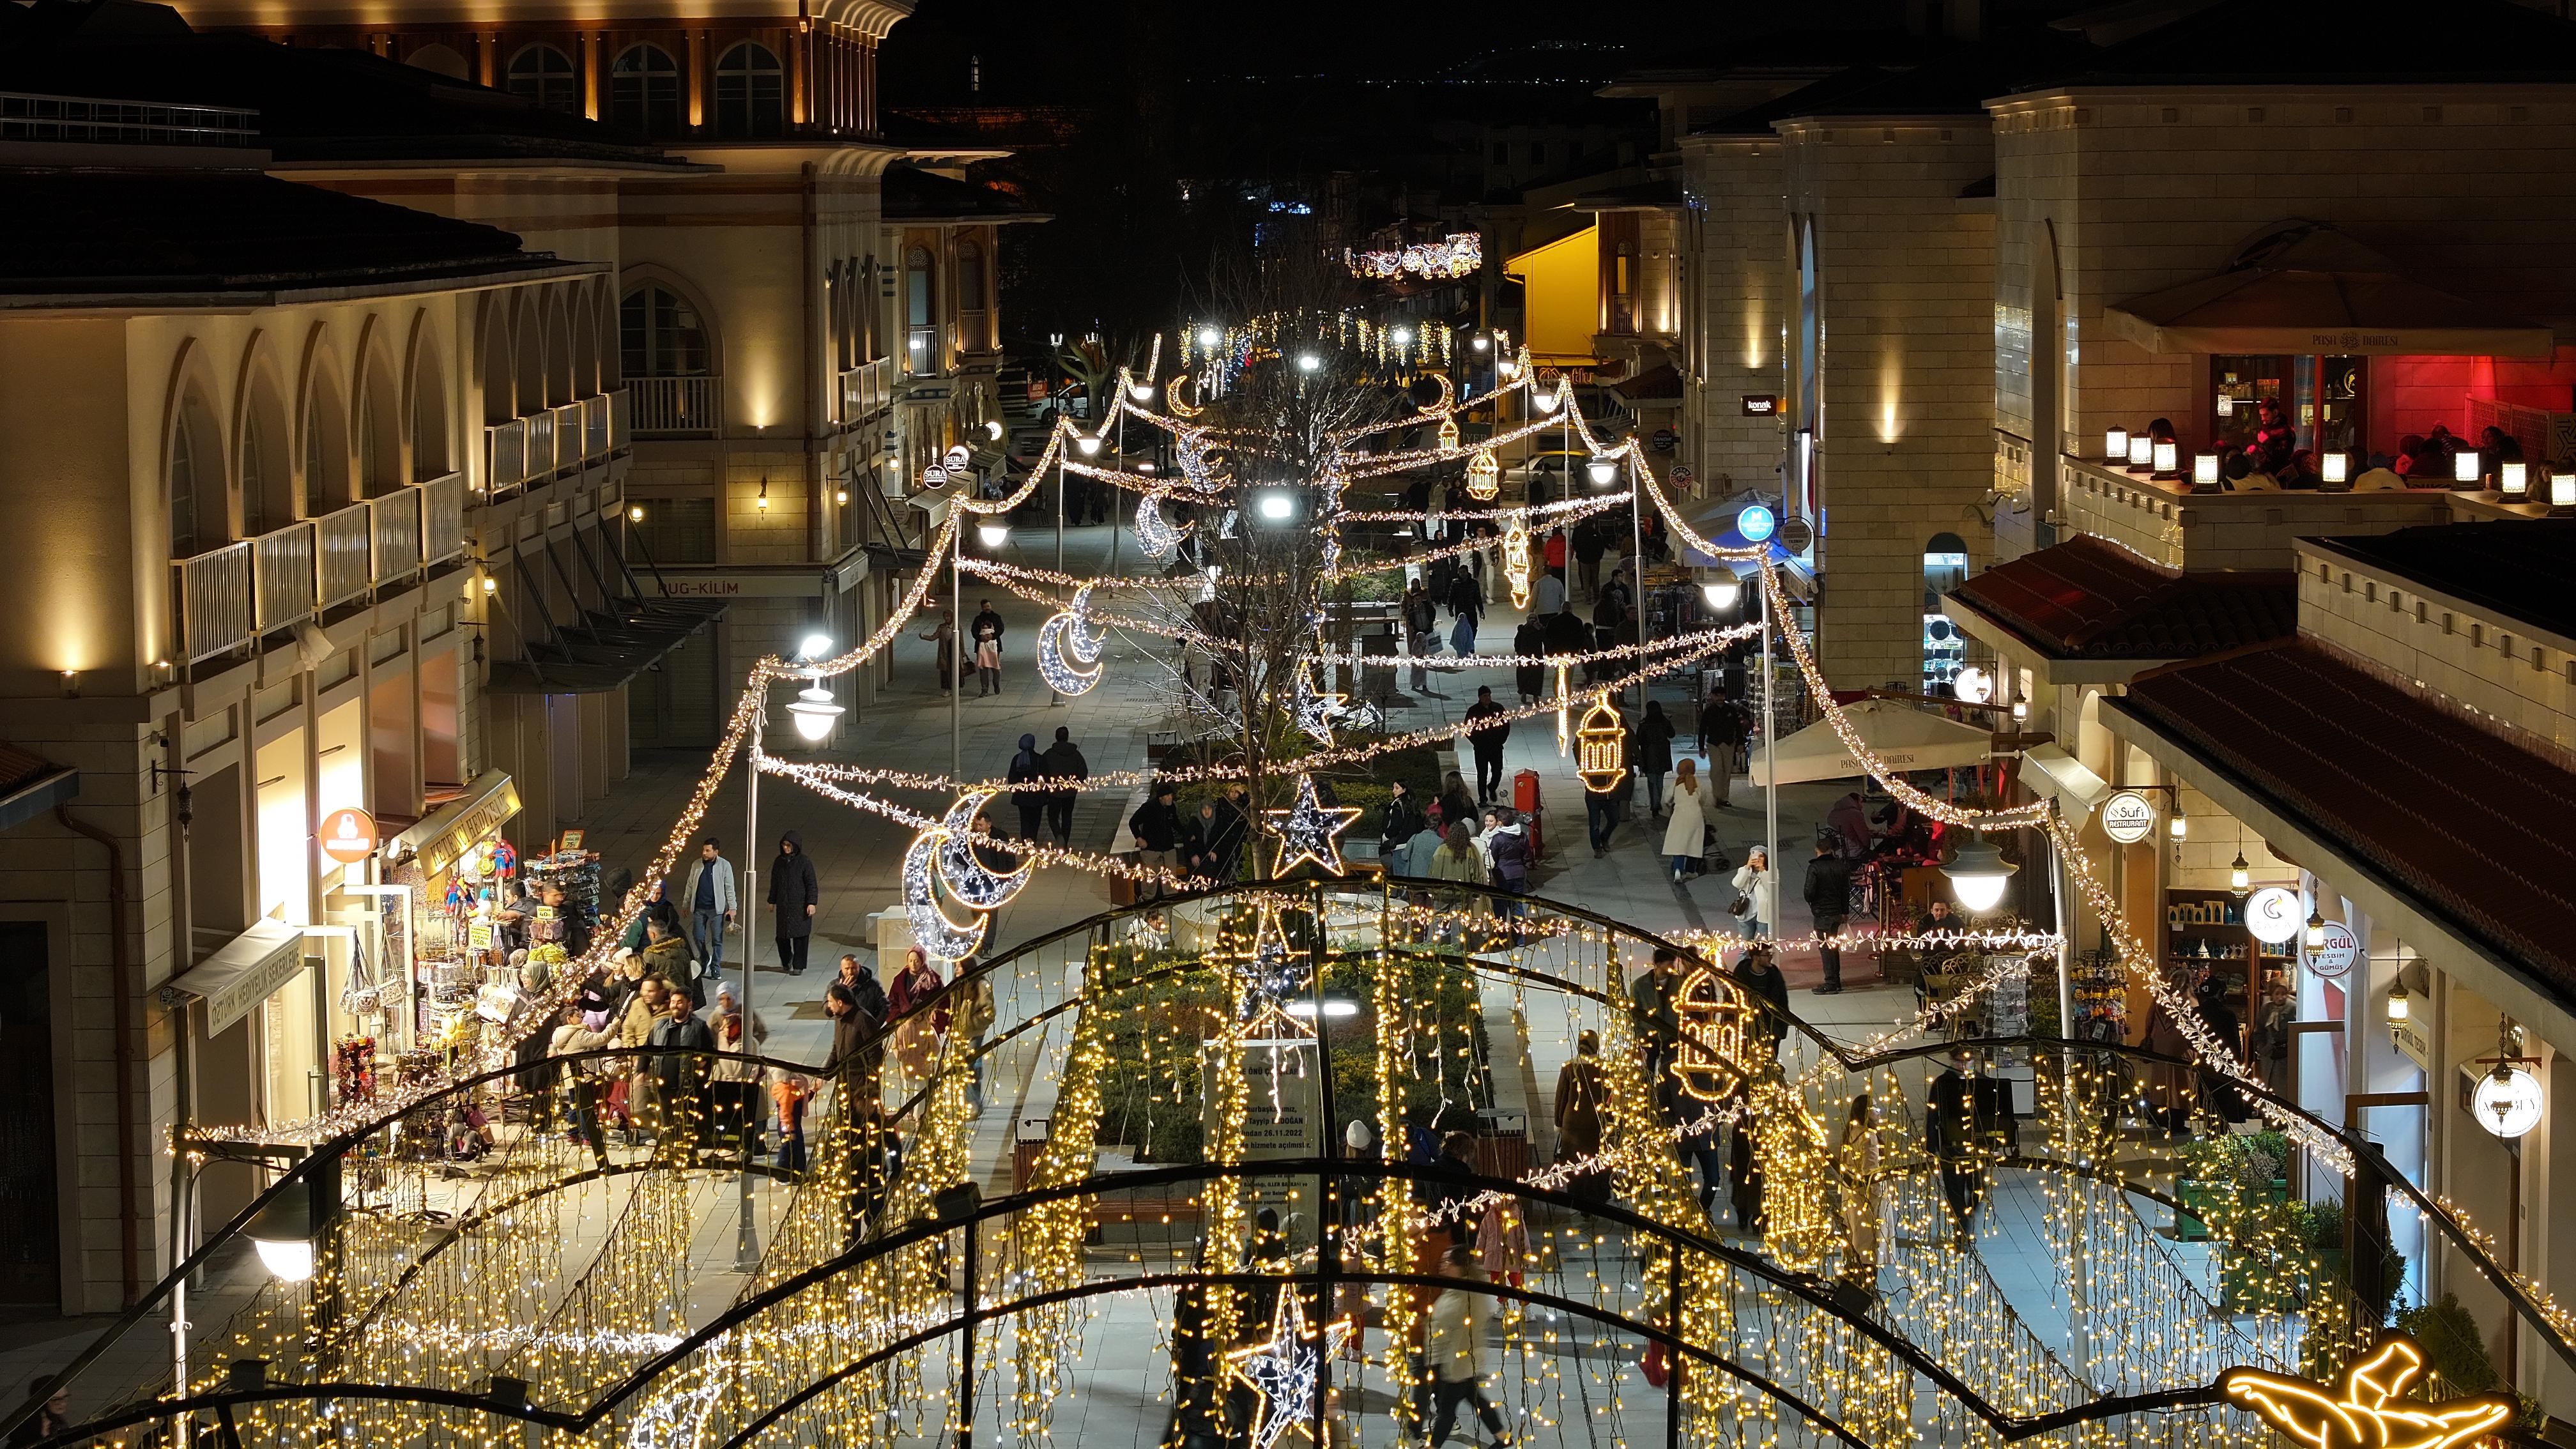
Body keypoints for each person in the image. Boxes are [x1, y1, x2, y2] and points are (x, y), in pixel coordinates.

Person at [1423, 1245, 1513, 1449]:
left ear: (1459, 1267)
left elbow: (1455, 1330)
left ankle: (1432, 1447)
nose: (1442, 1265)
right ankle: (1502, 1438)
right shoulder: (1459, 1289)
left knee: (1446, 1412)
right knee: (1477, 1400)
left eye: (1447, 1262)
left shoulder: (1466, 1296)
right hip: (1460, 1361)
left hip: (1458, 1362)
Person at [645, 991, 716, 1160]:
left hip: (687, 1084)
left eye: (680, 1002)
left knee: (685, 1122)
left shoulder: (699, 1027)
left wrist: (702, 1076)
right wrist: (642, 1070)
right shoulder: (660, 1026)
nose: (675, 1006)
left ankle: (684, 1155)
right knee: (667, 1121)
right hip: (663, 1083)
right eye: (673, 1002)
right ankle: (672, 1152)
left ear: (689, 1004)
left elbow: (709, 1054)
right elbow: (647, 1048)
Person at [1927, 1047, 1984, 1240]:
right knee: (1955, 1192)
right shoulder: (1942, 1083)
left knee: (1977, 1188)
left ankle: (1966, 1217)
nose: (1963, 1065)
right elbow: (1932, 1116)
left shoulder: (1980, 1081)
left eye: (1966, 1061)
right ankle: (1962, 1228)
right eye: (1959, 1061)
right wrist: (1932, 1147)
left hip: (1977, 1146)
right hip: (1950, 1147)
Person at [547, 1007, 611, 1169]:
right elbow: (601, 1039)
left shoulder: (558, 1034)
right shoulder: (579, 1033)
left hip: (568, 1075)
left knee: (574, 1104)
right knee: (585, 1104)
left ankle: (572, 1134)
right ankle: (587, 1136)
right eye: (577, 1015)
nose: (581, 1017)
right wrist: (613, 1026)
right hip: (583, 1074)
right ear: (569, 1019)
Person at [1553, 1031, 1610, 1203]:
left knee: (1574, 1162)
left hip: (1573, 1124)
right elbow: (1611, 1097)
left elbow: (1561, 1096)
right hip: (1596, 1123)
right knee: (1595, 1163)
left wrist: (1558, 1122)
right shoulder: (1605, 1068)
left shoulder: (1570, 1067)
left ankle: (1576, 1197)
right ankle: (1596, 1198)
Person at [887, 946, 951, 1084]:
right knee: (908, 1079)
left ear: (922, 961)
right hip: (907, 1026)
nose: (913, 964)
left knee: (925, 1076)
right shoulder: (900, 980)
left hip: (925, 1025)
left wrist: (935, 1013)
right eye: (910, 961)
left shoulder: (933, 980)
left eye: (916, 961)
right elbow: (893, 1002)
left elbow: (944, 1001)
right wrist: (899, 1019)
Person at [1805, 834, 1857, 995]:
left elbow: (1809, 892)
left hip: (1822, 914)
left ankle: (1831, 982)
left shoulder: (1814, 868)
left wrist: (1814, 902)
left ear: (1817, 850)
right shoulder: (1840, 866)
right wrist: (1844, 911)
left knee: (1826, 948)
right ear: (1831, 850)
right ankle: (1835, 979)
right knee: (1833, 946)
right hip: (1836, 913)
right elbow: (1845, 890)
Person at [1837, 1092, 1882, 1282]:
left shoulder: (1851, 1132)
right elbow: (1871, 1172)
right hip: (1866, 1200)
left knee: (1855, 1240)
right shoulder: (1869, 1137)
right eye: (1874, 1110)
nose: (1879, 1113)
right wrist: (1880, 1196)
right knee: (1868, 1245)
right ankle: (1866, 1283)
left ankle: (1852, 1277)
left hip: (1851, 1197)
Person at [766, 830, 820, 976]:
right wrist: (772, 900)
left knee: (801, 937)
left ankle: (799, 965)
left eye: (789, 845)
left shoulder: (804, 863)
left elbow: (811, 884)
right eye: (784, 845)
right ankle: (786, 960)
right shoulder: (779, 862)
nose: (786, 848)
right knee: (782, 937)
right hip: (784, 906)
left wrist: (811, 903)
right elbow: (775, 882)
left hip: (800, 906)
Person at [680, 837, 736, 978]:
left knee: (717, 940)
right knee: (698, 936)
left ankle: (715, 968)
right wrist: (686, 903)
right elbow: (690, 885)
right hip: (700, 908)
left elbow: (729, 888)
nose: (704, 853)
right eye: (703, 850)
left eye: (708, 850)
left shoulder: (724, 865)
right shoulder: (697, 865)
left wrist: (732, 907)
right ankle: (705, 958)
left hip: (716, 910)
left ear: (716, 852)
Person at [1629, 949, 1685, 1086]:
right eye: (1669, 963)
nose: (1673, 967)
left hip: (1672, 1037)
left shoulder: (1680, 984)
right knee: (1645, 1076)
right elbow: (1634, 1014)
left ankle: (1666, 1103)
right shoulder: (1640, 985)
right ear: (1658, 964)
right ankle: (1647, 1103)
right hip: (1649, 1038)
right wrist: (1640, 1035)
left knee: (1670, 1077)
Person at [1130, 783, 1183, 901]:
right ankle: (1148, 901)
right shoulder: (1149, 808)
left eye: (1171, 795)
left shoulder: (1171, 807)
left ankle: (1171, 900)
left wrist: (1187, 834)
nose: (1170, 798)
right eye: (1167, 796)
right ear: (1161, 797)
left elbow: (1175, 823)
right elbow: (1133, 822)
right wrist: (1139, 838)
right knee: (1150, 878)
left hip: (1168, 848)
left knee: (1170, 878)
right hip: (1151, 849)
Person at [1661, 758, 1710, 885]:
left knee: (1679, 844)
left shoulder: (1676, 783)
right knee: (1694, 843)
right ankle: (1690, 871)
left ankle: (1678, 870)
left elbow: (1667, 799)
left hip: (1680, 816)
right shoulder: (1698, 783)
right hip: (1696, 816)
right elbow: (1703, 799)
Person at [1733, 944, 1788, 1054]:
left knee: (1769, 1061)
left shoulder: (1774, 975)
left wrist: (1782, 1028)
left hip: (1771, 1027)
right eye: (1767, 955)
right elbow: (1731, 1001)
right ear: (1756, 958)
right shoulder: (1741, 975)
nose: (1770, 958)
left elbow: (1783, 1001)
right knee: (1746, 1060)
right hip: (1747, 1027)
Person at [1463, 686, 1510, 804]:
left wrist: (1501, 740)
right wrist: (1477, 742)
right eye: (1485, 696)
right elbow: (1468, 729)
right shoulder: (1474, 711)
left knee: (1497, 771)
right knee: (1482, 774)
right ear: (1480, 697)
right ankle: (1483, 798)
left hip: (1496, 747)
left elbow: (1506, 725)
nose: (1488, 698)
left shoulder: (1498, 708)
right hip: (1481, 749)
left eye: (1489, 695)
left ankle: (1492, 787)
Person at [1041, 726, 1087, 845]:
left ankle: (1058, 835)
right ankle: (1065, 843)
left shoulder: (1049, 754)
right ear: (1067, 737)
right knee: (1067, 816)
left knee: (1053, 817)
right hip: (1070, 792)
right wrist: (1077, 783)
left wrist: (1047, 786)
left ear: (1056, 737)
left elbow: (1042, 772)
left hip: (1054, 791)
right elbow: (1083, 771)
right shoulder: (1076, 754)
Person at [1636, 700, 1676, 818]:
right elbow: (1672, 734)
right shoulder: (1664, 722)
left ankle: (1655, 804)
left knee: (1652, 781)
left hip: (1649, 755)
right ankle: (1657, 802)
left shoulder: (1644, 724)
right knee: (1659, 780)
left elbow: (1639, 739)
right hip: (1662, 755)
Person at [1404, 576, 1442, 696]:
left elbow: (1432, 612)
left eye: (1420, 599)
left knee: (1424, 665)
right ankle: (1415, 683)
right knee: (1416, 665)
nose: (1418, 601)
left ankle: (1424, 684)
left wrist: (1431, 622)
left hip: (1426, 630)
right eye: (1416, 599)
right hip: (1418, 632)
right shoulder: (1412, 610)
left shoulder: (1427, 607)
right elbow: (1409, 617)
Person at [1006, 733, 1048, 839]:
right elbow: (1046, 777)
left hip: (1022, 797)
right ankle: (1032, 842)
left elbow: (1012, 778)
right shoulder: (1039, 759)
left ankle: (1025, 843)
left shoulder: (1017, 759)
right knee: (1035, 821)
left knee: (1024, 821)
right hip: (1037, 797)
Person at [1731, 846, 1776, 938]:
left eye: (1761, 856)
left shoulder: (1771, 873)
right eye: (1755, 856)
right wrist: (1747, 868)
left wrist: (1762, 871)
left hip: (1763, 915)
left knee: (1764, 947)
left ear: (1766, 859)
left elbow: (1772, 888)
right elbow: (1737, 884)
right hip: (1745, 913)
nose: (1758, 859)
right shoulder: (1744, 870)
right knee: (1745, 947)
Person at [1379, 779, 1425, 865]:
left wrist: (1385, 836)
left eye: (1397, 788)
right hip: (1412, 846)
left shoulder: (1397, 805)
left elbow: (1395, 825)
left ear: (1404, 790)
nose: (1393, 791)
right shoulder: (1414, 806)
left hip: (1399, 846)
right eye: (1393, 788)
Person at [918, 602, 958, 694]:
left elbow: (961, 641)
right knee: (944, 672)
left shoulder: (956, 627)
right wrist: (924, 637)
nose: (947, 618)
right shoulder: (942, 627)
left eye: (949, 616)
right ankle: (946, 689)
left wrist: (963, 653)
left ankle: (957, 688)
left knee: (955, 670)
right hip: (944, 653)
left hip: (954, 652)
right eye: (945, 616)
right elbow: (934, 637)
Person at [1447, 567, 1482, 657]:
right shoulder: (1455, 583)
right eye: (1461, 572)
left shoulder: (1474, 584)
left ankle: (1470, 644)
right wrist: (1450, 609)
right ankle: (1463, 647)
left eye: (1464, 572)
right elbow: (1451, 597)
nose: (1462, 574)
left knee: (1473, 628)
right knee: (1461, 630)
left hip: (1471, 610)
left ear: (1467, 572)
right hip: (1460, 611)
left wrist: (1481, 610)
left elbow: (1478, 598)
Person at [1511, 617, 1545, 705]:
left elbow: (1517, 642)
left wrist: (1518, 651)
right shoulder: (1539, 630)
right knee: (1536, 677)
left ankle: (1524, 692)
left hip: (1524, 656)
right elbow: (1546, 639)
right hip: (1536, 657)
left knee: (1524, 675)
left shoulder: (1522, 630)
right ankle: (1535, 696)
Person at [1825, 792, 1870, 858]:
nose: (1862, 806)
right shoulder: (1855, 814)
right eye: (1860, 802)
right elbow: (1864, 835)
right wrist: (1867, 846)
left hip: (1834, 850)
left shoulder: (1833, 813)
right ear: (1855, 802)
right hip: (1851, 850)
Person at [1572, 518, 1608, 599]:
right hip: (1595, 558)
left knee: (1586, 578)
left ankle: (1587, 596)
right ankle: (1596, 595)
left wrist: (1579, 553)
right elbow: (1601, 546)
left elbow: (1575, 543)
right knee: (1595, 577)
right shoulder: (1595, 533)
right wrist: (1599, 556)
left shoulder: (1579, 532)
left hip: (1583, 558)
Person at [972, 609, 1003, 696]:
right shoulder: (978, 619)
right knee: (983, 671)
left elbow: (1001, 629)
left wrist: (993, 636)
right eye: (986, 606)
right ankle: (984, 689)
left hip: (994, 650)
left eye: (988, 605)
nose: (988, 608)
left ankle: (996, 684)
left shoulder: (996, 618)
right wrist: (980, 638)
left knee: (996, 669)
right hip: (982, 650)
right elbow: (974, 632)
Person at [1438, 770, 1478, 836]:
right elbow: (1476, 817)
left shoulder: (1446, 800)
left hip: (1453, 834)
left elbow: (1445, 819)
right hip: (1468, 832)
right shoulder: (1467, 799)